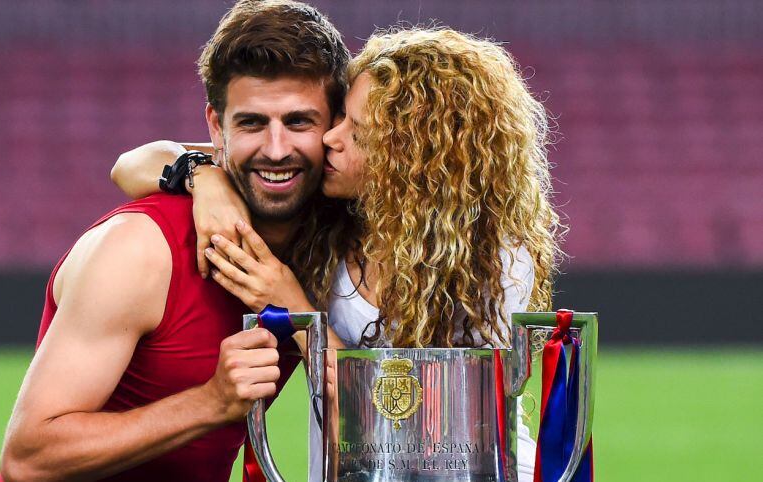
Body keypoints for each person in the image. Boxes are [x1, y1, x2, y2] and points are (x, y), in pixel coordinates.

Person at [114, 28, 561, 482]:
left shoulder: (491, 257)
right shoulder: (330, 207)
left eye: (359, 133)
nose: (331, 137)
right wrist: (203, 177)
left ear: (411, 157)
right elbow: (131, 164)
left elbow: (417, 428)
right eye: (342, 116)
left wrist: (292, 307)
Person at [0, 1, 350, 481]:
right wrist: (210, 402)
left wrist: (292, 305)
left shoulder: (330, 240)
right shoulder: (139, 250)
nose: (275, 149)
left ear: (334, 128)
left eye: (299, 122)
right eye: (251, 123)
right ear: (215, 127)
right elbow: (27, 459)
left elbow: (380, 428)